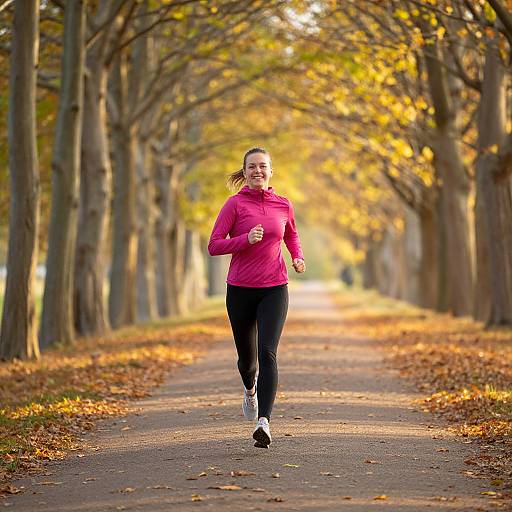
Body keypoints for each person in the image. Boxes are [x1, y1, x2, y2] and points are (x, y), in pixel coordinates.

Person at [208, 147, 306, 449]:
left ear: (271, 171)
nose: (257, 171)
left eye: (263, 166)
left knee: (268, 352)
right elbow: (214, 245)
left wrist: (297, 257)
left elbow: (291, 235)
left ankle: (264, 422)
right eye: (252, 167)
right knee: (248, 361)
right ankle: (249, 389)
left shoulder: (283, 204)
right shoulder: (234, 205)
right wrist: (244, 240)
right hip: (239, 290)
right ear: (245, 171)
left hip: (274, 288)